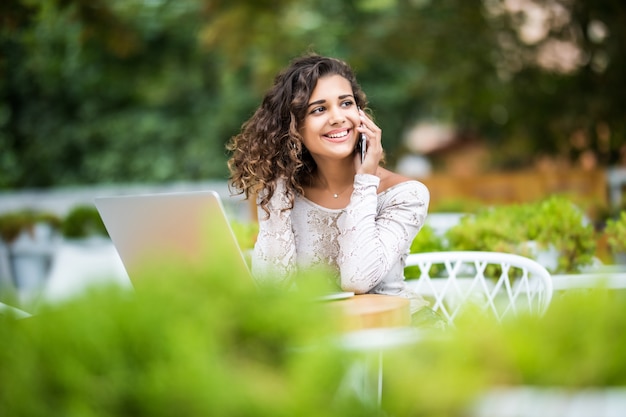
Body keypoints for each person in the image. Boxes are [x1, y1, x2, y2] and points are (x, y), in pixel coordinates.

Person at [227, 53, 438, 325]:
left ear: (361, 115)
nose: (338, 117)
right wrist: (277, 185)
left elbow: (358, 279)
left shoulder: (406, 195)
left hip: (397, 339)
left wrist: (365, 181)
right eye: (319, 109)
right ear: (294, 128)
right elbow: (271, 288)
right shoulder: (281, 195)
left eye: (346, 103)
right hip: (319, 343)